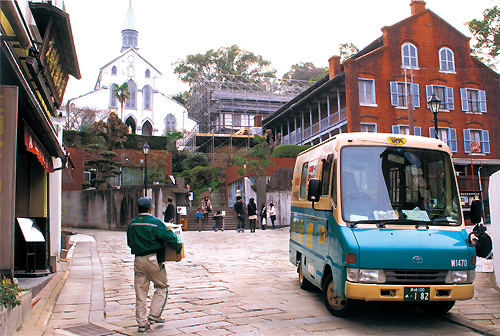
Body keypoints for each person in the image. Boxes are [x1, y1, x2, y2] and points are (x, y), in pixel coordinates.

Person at [127, 197, 182, 333]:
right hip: (153, 259)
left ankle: (141, 323)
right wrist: (178, 249)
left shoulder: (132, 224)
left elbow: (129, 243)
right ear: (151, 208)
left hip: (138, 259)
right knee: (162, 286)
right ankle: (154, 314)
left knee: (140, 293)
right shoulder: (156, 223)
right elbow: (171, 238)